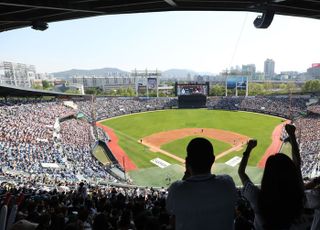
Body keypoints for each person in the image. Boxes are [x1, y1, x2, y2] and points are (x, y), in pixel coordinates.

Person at [238, 124, 304, 230]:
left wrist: (248, 149)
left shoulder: (257, 197)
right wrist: (292, 135)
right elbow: (297, 165)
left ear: (267, 174)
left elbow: (241, 172)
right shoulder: (298, 193)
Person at [166, 137, 237, 230]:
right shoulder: (228, 183)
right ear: (213, 159)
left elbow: (170, 212)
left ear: (187, 162)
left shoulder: (176, 189)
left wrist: (187, 172)